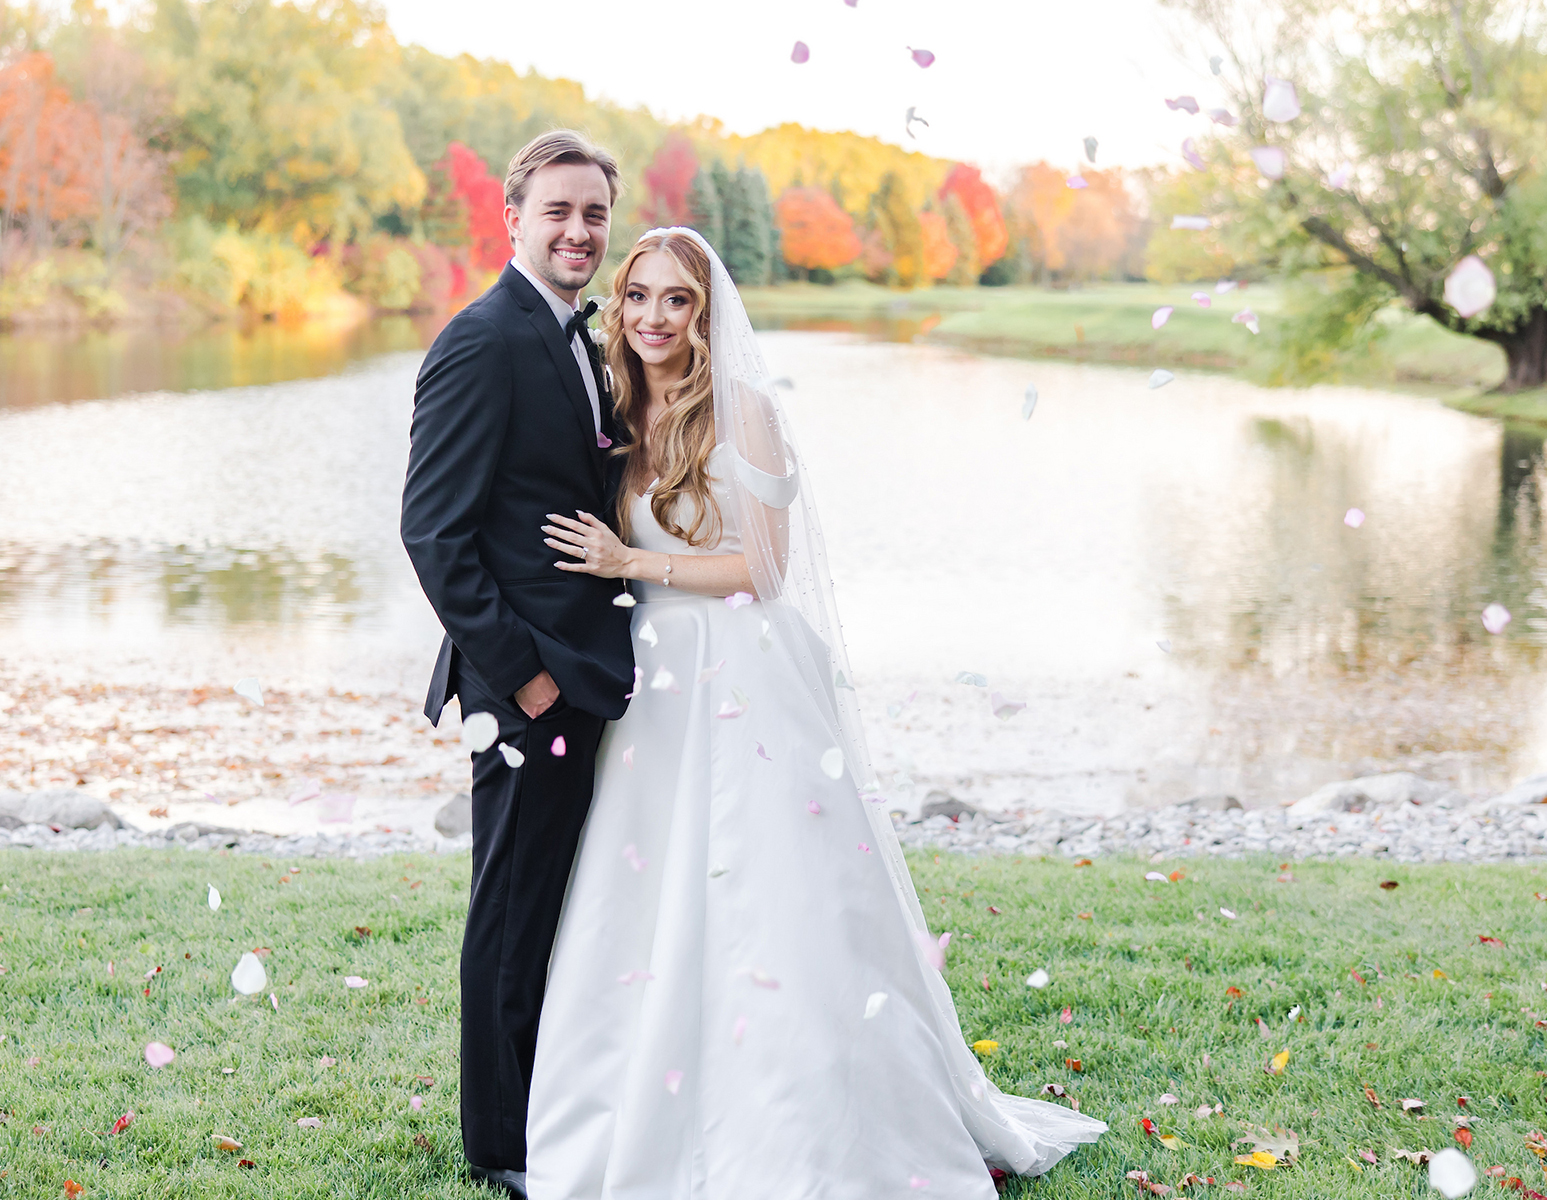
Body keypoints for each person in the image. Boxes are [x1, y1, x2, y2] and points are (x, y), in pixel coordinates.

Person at [522, 227, 1107, 1198]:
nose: (655, 317)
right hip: (652, 686)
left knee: (768, 885)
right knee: (650, 887)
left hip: (741, 671)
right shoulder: (618, 408)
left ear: (706, 315)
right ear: (618, 307)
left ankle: (801, 1117)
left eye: (677, 300)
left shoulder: (744, 411)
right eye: (639, 297)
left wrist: (633, 562)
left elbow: (764, 568)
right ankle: (642, 1099)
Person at [400, 129, 635, 1197]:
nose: (578, 231)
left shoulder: (580, 338)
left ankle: (554, 1106)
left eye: (594, 214)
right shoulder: (482, 340)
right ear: (513, 219)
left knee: (555, 900)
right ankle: (502, 1144)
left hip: (584, 670)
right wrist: (527, 679)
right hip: (526, 682)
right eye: (558, 212)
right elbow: (433, 533)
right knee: (511, 907)